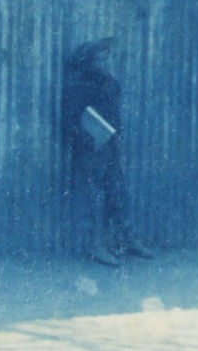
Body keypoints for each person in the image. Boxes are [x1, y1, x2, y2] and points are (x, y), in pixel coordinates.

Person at [60, 36, 153, 267]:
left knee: (118, 192)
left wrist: (114, 135)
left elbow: (113, 113)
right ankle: (95, 246)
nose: (105, 62)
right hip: (89, 149)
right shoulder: (78, 86)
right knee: (92, 197)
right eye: (99, 58)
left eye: (106, 57)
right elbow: (69, 122)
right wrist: (87, 140)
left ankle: (128, 239)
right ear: (88, 61)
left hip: (109, 146)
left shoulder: (108, 83)